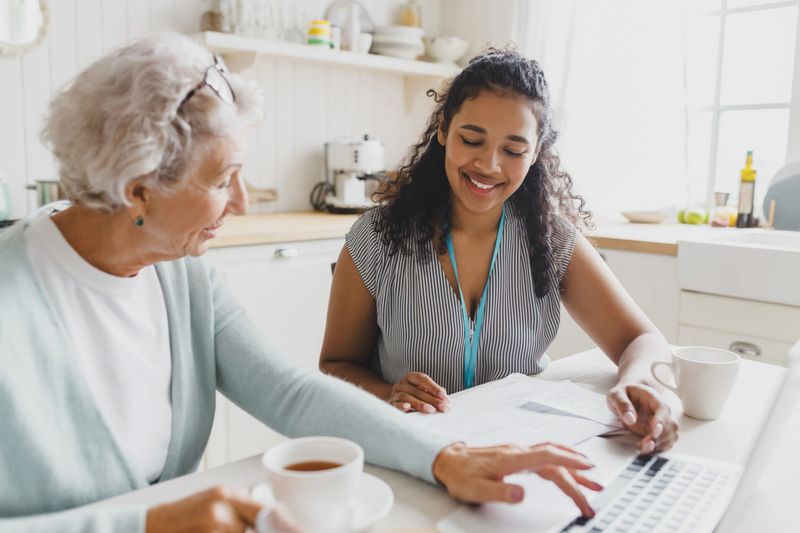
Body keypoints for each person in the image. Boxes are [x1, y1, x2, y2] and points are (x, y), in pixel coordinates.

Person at [0, 35, 604, 532]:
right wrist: (148, 525)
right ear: (137, 187)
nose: (240, 202)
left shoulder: (184, 279)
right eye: (223, 179)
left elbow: (292, 394)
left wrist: (445, 456)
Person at [319, 49, 679, 456]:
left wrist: (639, 382)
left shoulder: (551, 239)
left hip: (522, 457)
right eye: (472, 140)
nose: (489, 165)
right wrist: (387, 394)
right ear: (443, 130)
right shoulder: (378, 237)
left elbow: (643, 339)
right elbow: (335, 364)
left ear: (537, 152)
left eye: (513, 150)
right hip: (414, 454)